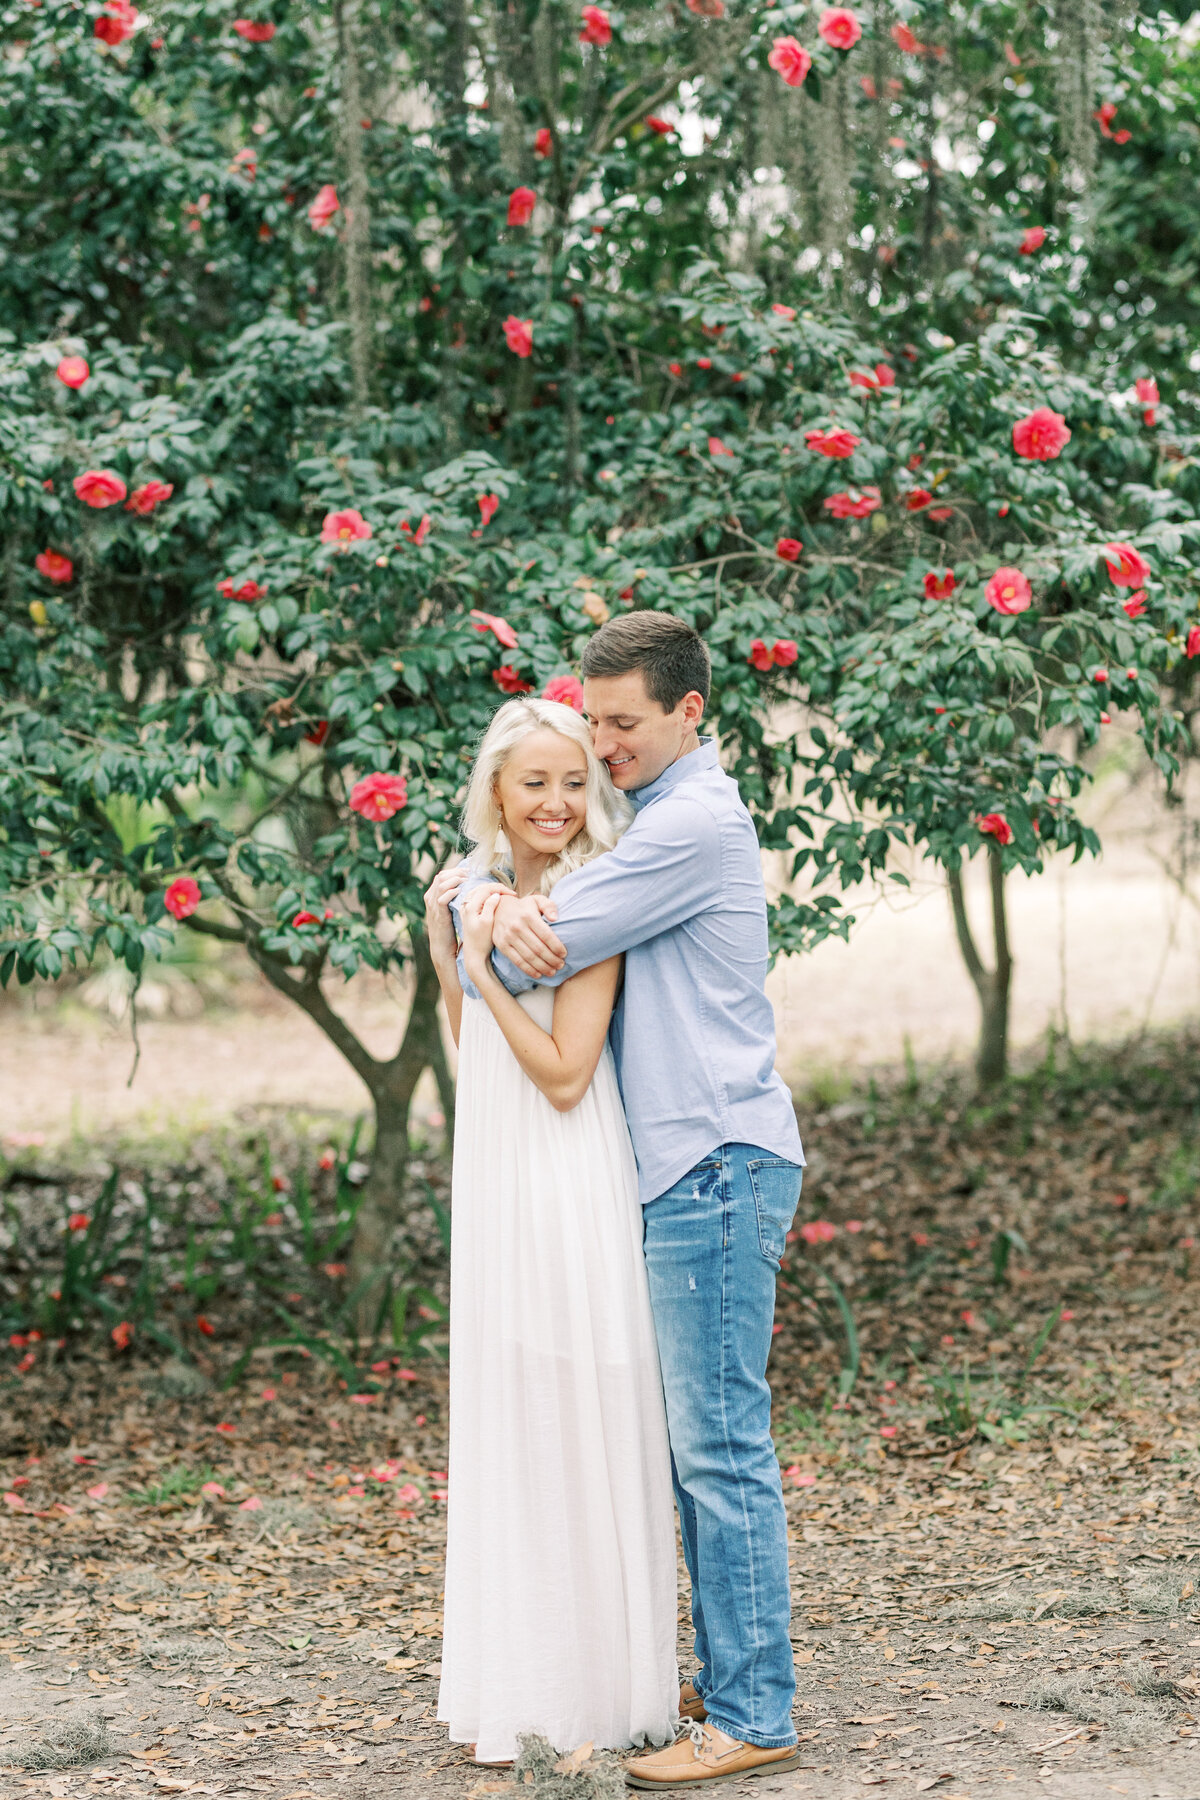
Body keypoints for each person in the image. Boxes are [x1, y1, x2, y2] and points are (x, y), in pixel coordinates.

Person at [454, 611, 806, 1791]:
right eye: (591, 722)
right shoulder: (657, 816)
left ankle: (753, 1713)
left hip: (714, 1161)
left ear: (688, 712)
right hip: (698, 1165)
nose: (601, 747)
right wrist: (482, 903)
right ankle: (736, 1678)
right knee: (702, 1447)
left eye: (621, 724)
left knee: (718, 1451)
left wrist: (475, 916)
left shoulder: (689, 823)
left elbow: (539, 947)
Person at [424, 696, 680, 1770]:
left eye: (575, 782)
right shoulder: (483, 893)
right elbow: (462, 1033)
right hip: (496, 1171)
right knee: (513, 1411)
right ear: (495, 790)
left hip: (568, 1171)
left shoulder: (587, 899)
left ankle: (594, 1690)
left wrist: (484, 966)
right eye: (535, 782)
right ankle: (518, 1682)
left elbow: (570, 1075)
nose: (558, 803)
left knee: (573, 1408)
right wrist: (454, 941)